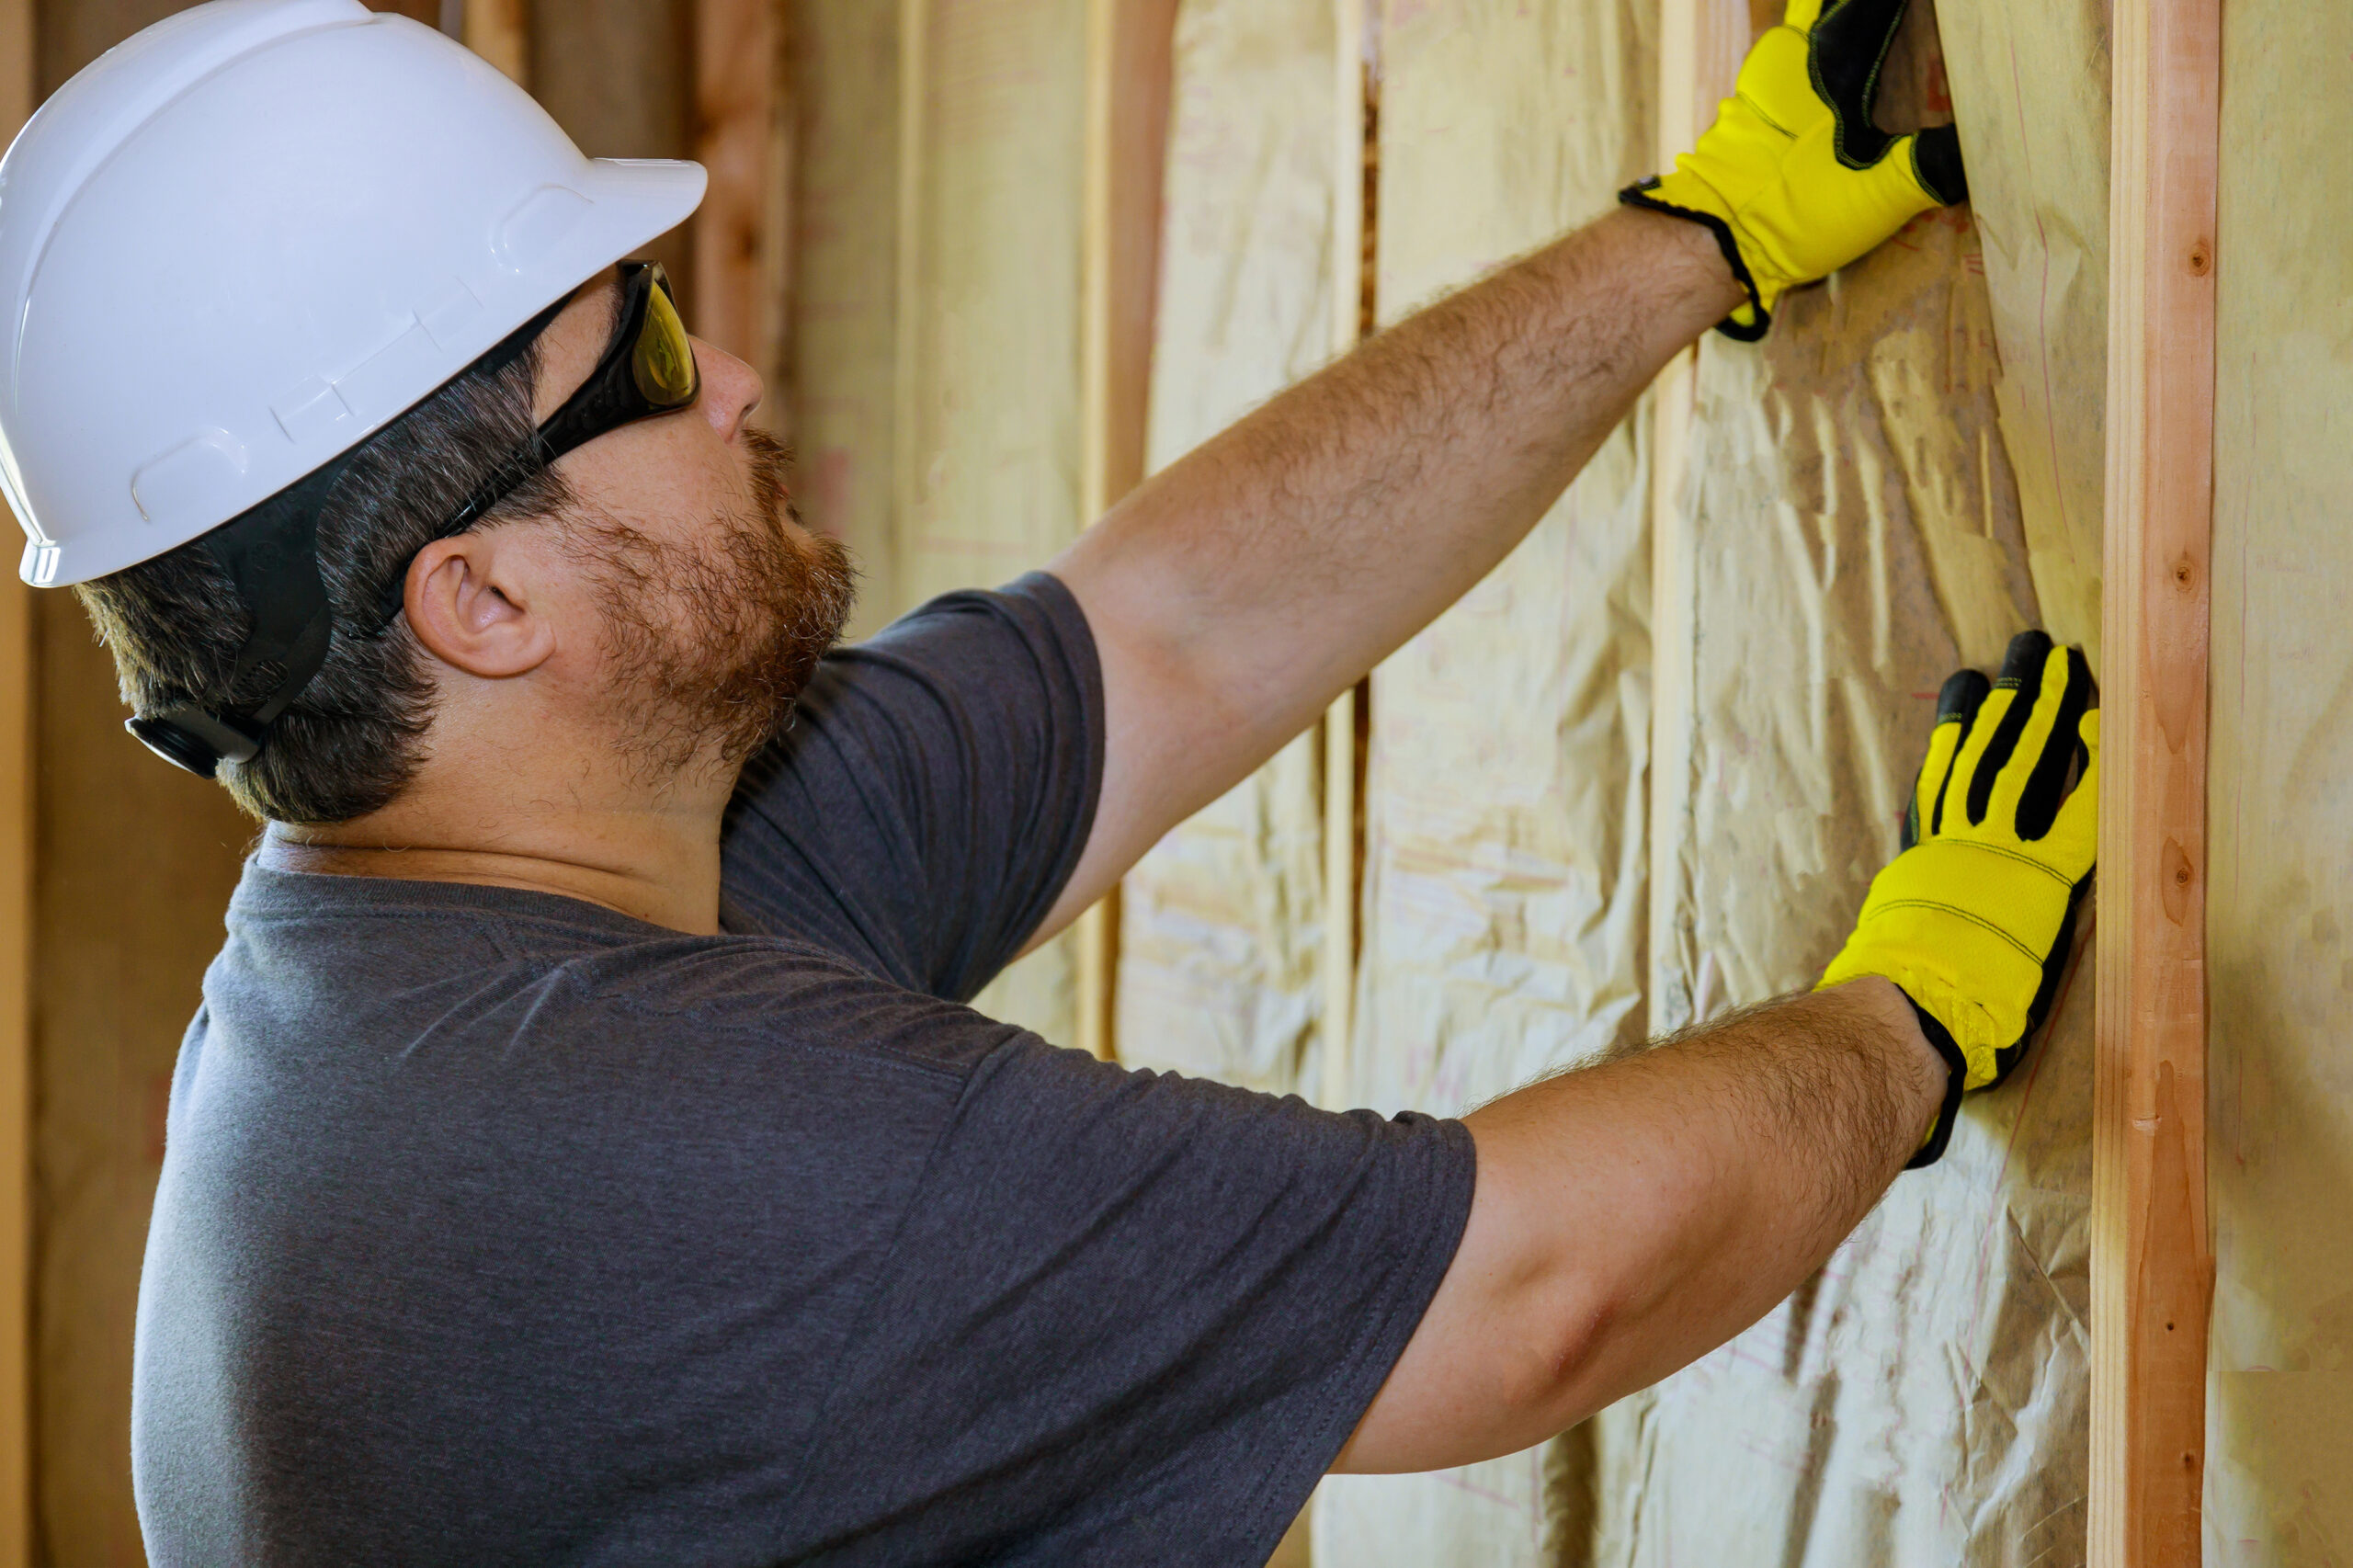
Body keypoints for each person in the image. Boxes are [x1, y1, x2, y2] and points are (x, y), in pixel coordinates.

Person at [0, 0, 2097, 1562]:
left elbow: (1169, 629)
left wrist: (1690, 235)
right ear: (478, 596)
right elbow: (1525, 1288)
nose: (728, 376)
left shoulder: (478, 932)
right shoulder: (640, 1160)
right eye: (636, 358)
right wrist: (1910, 1008)